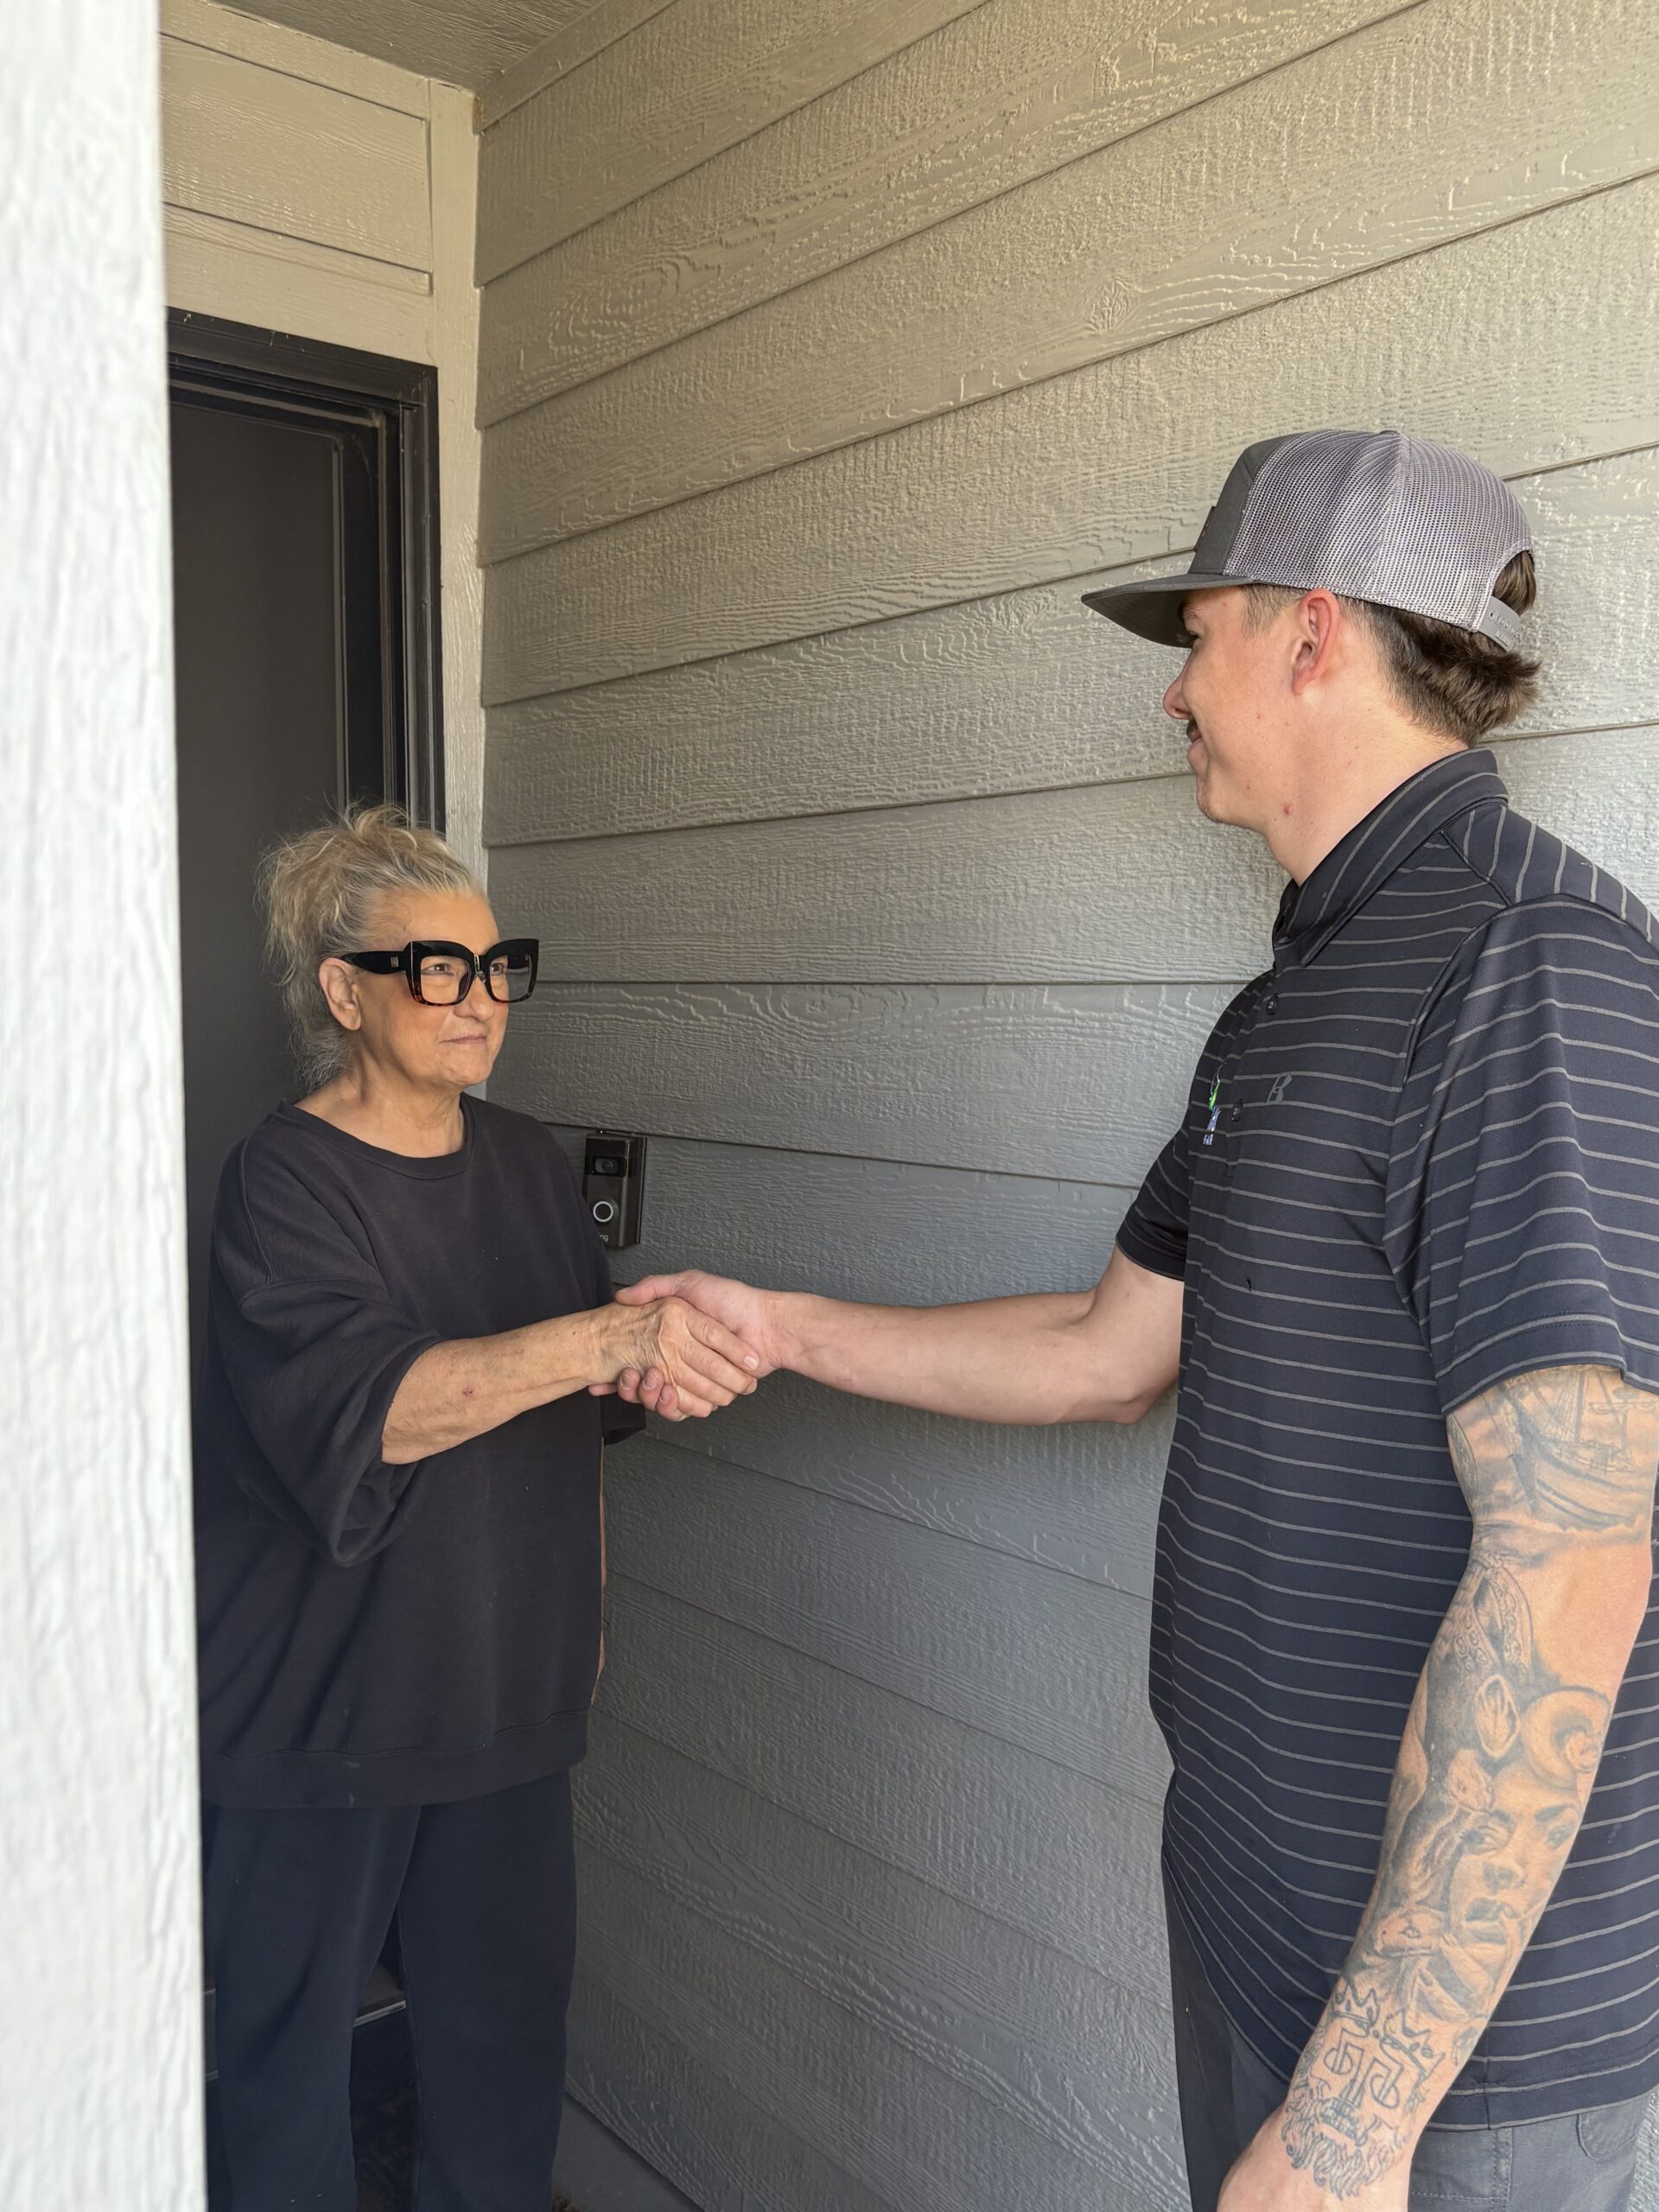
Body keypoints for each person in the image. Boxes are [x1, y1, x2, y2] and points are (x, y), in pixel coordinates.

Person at [602, 431, 1659, 2210]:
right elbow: (1112, 1348)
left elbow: (1574, 1556)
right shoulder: (1296, 997)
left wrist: (1354, 2118)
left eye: (1203, 633)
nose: (1177, 688)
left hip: (1459, 2066)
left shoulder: (1531, 963)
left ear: (1314, 635)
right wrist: (777, 1320)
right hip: (1260, 1924)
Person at [194, 807, 759, 2212]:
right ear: (345, 992)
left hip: (507, 1688)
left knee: (501, 2066)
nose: (478, 1000)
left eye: (495, 965)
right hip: (324, 1711)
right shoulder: (284, 1182)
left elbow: (578, 1437)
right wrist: (605, 1339)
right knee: (286, 2077)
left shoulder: (521, 1163)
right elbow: (376, 1410)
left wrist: (591, 1619)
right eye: (434, 970)